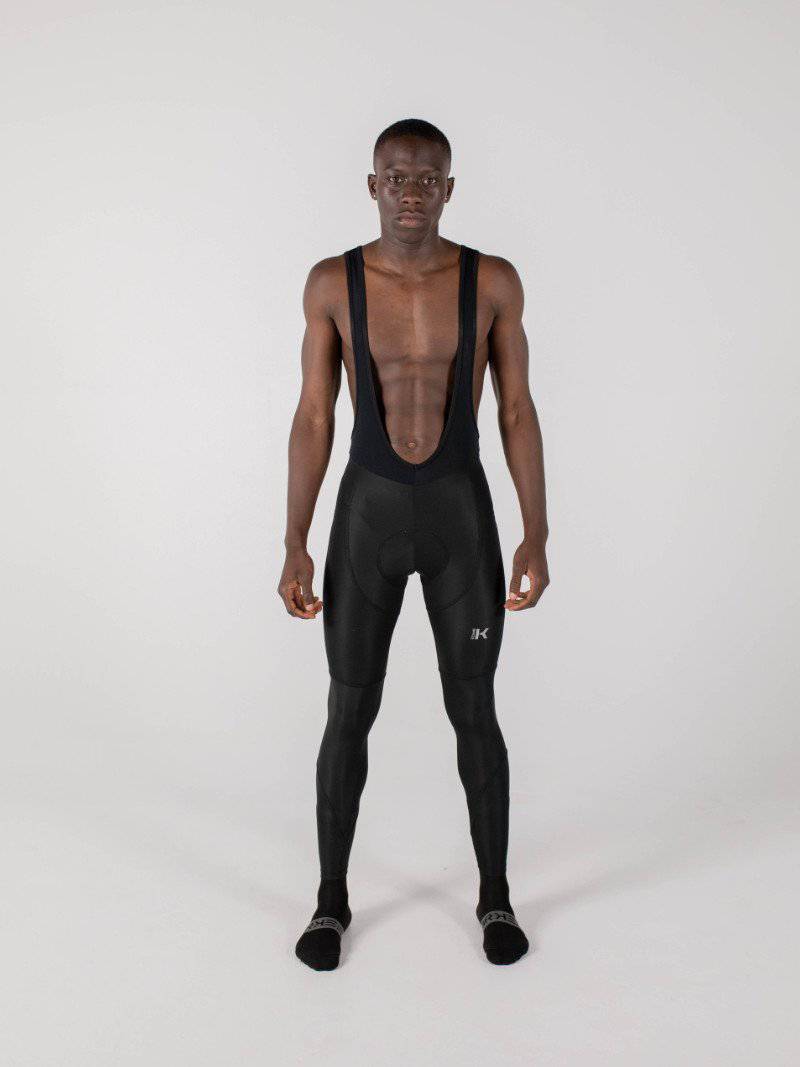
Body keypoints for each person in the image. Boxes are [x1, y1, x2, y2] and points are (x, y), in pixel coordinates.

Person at [279, 118, 549, 970]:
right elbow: (315, 413)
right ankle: (329, 903)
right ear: (373, 186)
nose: (410, 193)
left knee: (474, 708)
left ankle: (495, 896)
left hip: (460, 521)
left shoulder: (491, 280)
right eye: (395, 178)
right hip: (368, 518)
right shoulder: (332, 282)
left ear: (449, 190)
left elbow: (515, 408)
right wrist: (294, 538)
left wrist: (537, 528)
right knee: (348, 708)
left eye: (427, 179)